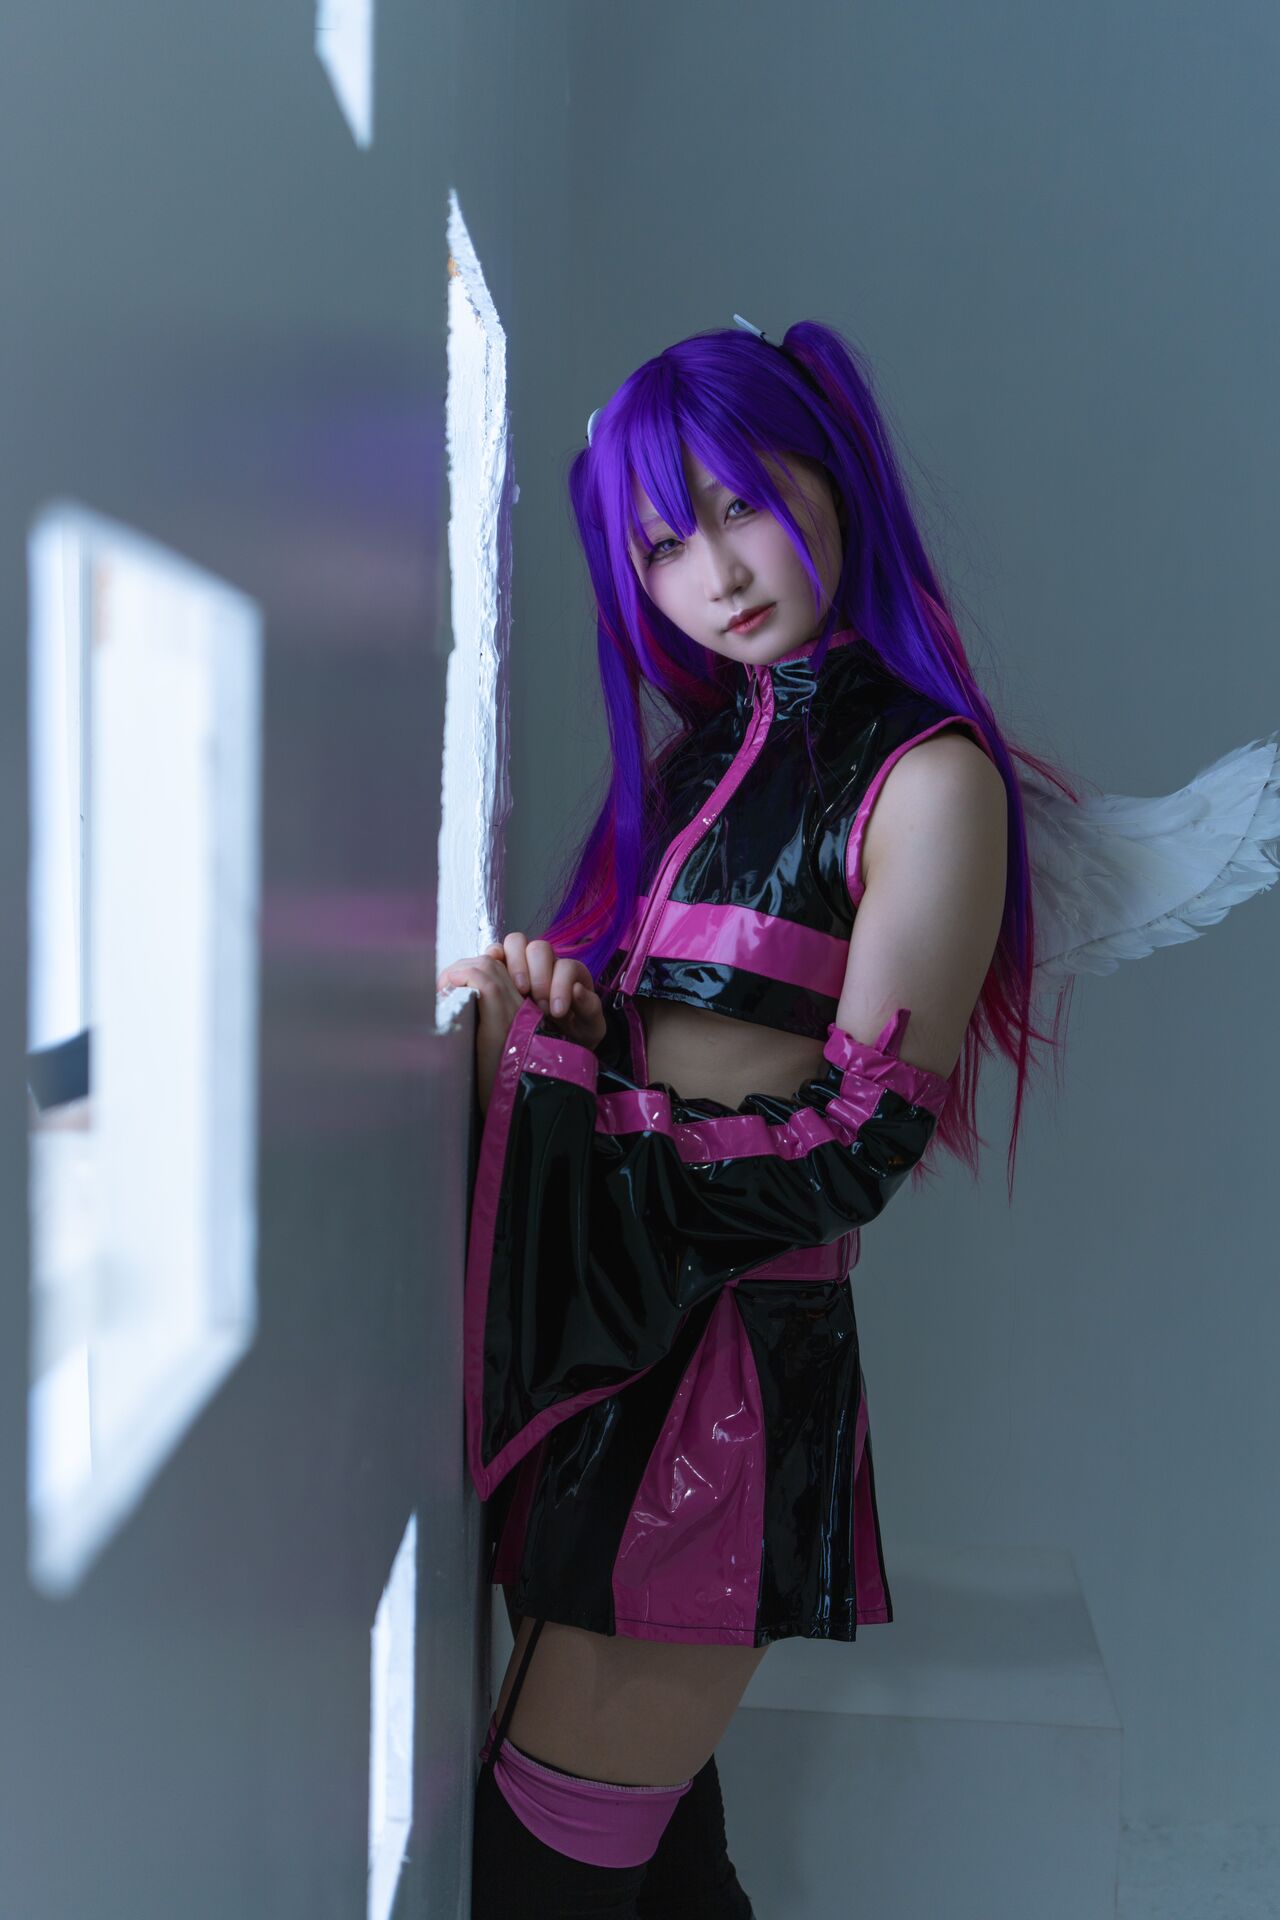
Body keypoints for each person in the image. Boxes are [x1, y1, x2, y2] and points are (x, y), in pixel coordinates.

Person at [436, 315, 1251, 1919]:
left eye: (741, 503)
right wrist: (580, 1021)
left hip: (726, 1389)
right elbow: (681, 1051)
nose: (717, 571)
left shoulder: (929, 778)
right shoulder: (701, 764)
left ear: (831, 472)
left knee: (540, 1875)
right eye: (663, 544)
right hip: (613, 1348)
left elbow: (856, 1145)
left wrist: (569, 1095)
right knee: (651, 1870)